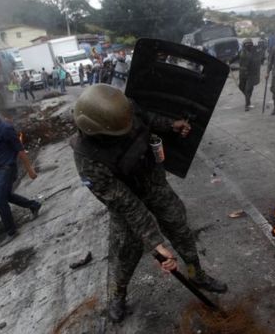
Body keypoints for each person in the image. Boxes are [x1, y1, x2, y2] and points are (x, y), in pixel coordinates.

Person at [71, 85, 228, 323]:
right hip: (125, 200)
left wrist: (170, 125)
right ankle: (118, 294)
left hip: (153, 183)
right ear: (95, 130)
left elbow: (146, 119)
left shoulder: (124, 110)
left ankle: (197, 274)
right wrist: (155, 243)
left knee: (181, 230)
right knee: (125, 250)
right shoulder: (87, 159)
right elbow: (126, 204)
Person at [0, 101, 42, 238]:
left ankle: (11, 232)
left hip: (7, 168)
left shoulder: (5, 128)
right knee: (7, 196)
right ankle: (34, 205)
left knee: (0, 202)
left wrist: (30, 169)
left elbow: (20, 149)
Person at [237, 38, 261, 111]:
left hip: (251, 74)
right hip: (242, 74)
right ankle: (248, 97)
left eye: (250, 45)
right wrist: (229, 61)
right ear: (244, 45)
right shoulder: (241, 52)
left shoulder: (254, 53)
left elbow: (258, 62)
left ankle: (247, 104)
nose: (248, 46)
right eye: (247, 45)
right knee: (241, 87)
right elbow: (236, 57)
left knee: (248, 89)